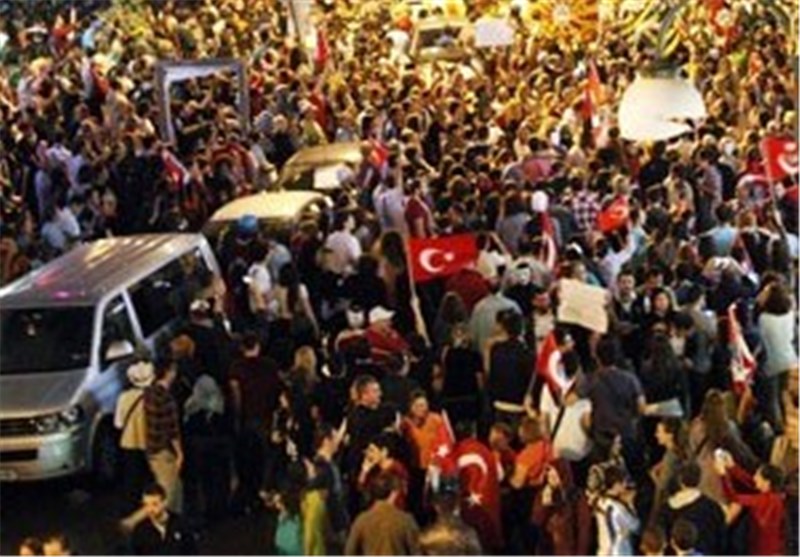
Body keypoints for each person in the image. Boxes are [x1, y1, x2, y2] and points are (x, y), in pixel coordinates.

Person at [228, 332, 281, 511]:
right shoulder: (270, 365)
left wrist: (236, 418)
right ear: (258, 346)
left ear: (242, 348)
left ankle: (248, 496)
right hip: (267, 417)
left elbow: (236, 397)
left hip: (247, 419)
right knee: (266, 457)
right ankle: (264, 491)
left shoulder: (236, 368)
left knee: (248, 459)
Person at [716, 453, 787, 556]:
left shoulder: (761, 500)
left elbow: (733, 497)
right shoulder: (777, 496)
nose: (754, 477)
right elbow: (751, 482)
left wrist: (722, 474)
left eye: (757, 475)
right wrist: (732, 467)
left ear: (767, 482)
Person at [344, 472, 421, 556]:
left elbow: (349, 552)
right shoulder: (405, 520)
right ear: (394, 493)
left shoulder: (361, 521)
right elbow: (416, 552)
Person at [144, 356, 184, 514]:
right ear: (168, 372)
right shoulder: (166, 398)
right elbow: (172, 429)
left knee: (166, 486)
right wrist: (180, 452)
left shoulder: (149, 393)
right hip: (164, 449)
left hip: (151, 446)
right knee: (170, 492)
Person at [115, 361, 155, 511]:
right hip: (149, 441)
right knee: (151, 478)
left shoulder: (123, 397)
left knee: (131, 479)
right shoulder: (154, 396)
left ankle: (132, 508)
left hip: (129, 442)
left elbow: (118, 423)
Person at [130, 483, 197, 555]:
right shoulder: (141, 531)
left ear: (165, 502)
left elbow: (192, 551)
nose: (150, 509)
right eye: (146, 505)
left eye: (154, 504)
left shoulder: (181, 524)